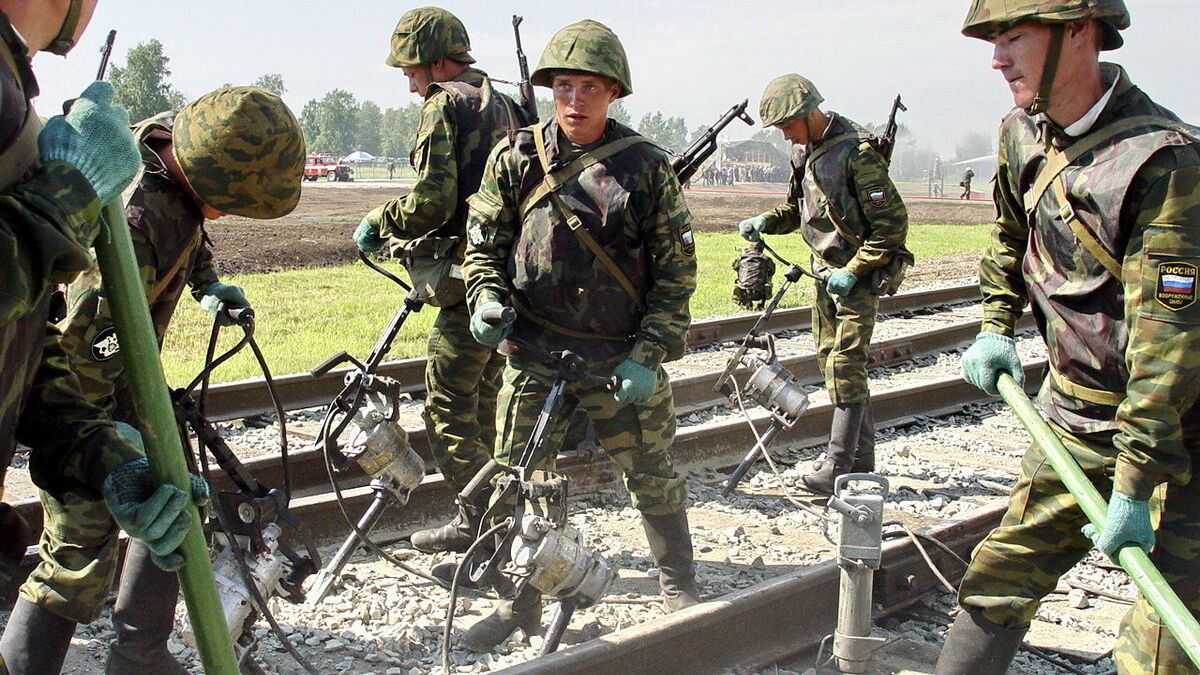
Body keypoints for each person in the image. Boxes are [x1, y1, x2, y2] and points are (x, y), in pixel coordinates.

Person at [4, 86, 305, 675]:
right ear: (210, 181)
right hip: (83, 401)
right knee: (76, 555)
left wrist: (207, 282)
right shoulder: (137, 218)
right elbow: (84, 350)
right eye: (233, 203)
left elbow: (190, 236)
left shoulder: (172, 158)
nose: (232, 214)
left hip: (124, 390)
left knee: (177, 499)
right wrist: (108, 451)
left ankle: (139, 657)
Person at [938, 2, 1200, 674]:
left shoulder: (1165, 163)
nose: (997, 58)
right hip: (1073, 416)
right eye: (994, 41)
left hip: (1175, 440)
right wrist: (997, 322)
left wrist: (1136, 483)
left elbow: (1167, 346)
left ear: (1079, 33)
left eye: (1014, 37)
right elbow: (1007, 237)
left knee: (1164, 650)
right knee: (997, 577)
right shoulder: (1022, 134)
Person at [460, 19, 700, 652]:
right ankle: (524, 604)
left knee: (651, 472)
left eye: (588, 87)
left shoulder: (646, 169)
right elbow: (483, 245)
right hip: (538, 352)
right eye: (562, 86)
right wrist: (485, 297)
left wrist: (649, 354)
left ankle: (679, 586)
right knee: (523, 480)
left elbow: (677, 274)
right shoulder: (514, 157)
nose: (573, 100)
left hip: (620, 359)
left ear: (614, 91)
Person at [0, 2, 203, 673]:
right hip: (99, 378)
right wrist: (64, 198)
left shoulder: (180, 211)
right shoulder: (144, 215)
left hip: (91, 405)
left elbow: (17, 343)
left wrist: (96, 451)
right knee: (76, 557)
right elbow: (93, 342)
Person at [351, 7, 526, 557]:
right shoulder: (508, 102)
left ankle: (495, 525)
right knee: (482, 395)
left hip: (465, 278)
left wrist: (380, 222)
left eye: (411, 69)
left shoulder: (444, 104)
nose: (408, 83)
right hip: (509, 274)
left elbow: (431, 201)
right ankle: (477, 520)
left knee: (447, 402)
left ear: (435, 62)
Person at [738, 73, 912, 496]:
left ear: (808, 113)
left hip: (860, 277)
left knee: (846, 364)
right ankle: (861, 460)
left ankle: (837, 462)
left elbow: (892, 226)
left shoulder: (858, 153)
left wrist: (854, 269)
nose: (783, 136)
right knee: (829, 362)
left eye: (786, 125)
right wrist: (766, 221)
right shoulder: (804, 152)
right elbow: (798, 209)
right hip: (825, 276)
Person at [732, 240, 776, 310]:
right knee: (767, 279)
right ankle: (761, 304)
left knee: (740, 280)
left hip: (743, 291)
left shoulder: (742, 257)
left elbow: (734, 267)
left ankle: (745, 302)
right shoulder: (766, 259)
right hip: (760, 292)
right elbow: (772, 271)